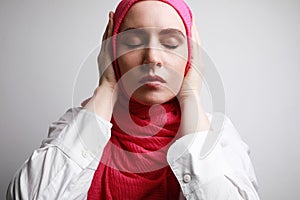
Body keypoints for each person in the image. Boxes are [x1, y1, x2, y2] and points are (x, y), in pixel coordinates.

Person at [7, 0, 260, 199]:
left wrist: (191, 95)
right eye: (133, 42)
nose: (152, 57)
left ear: (191, 57)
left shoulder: (217, 133)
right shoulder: (78, 124)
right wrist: (106, 87)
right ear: (113, 53)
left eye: (171, 43)